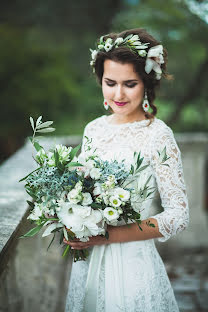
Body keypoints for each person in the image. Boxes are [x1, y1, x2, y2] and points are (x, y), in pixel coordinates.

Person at [64, 28, 189, 312]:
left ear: (146, 84)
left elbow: (178, 215)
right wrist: (68, 218)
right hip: (88, 263)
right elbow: (78, 188)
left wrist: (109, 235)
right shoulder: (93, 129)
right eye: (110, 82)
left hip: (133, 264)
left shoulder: (158, 135)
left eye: (129, 84)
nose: (118, 94)